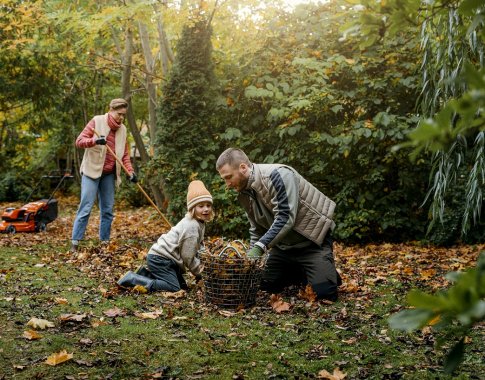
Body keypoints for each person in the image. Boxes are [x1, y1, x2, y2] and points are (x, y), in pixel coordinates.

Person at [216, 148, 342, 301]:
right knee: (264, 286)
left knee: (324, 294)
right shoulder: (244, 194)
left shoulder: (278, 175)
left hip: (312, 243)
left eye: (228, 177)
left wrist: (259, 248)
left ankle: (320, 269)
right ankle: (302, 270)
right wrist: (251, 259)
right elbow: (256, 229)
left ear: (243, 167)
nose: (227, 184)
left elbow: (286, 217)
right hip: (282, 248)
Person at [117, 180, 213, 292]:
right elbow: (187, 256)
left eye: (208, 205)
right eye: (201, 206)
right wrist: (199, 272)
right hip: (161, 259)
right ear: (192, 208)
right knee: (174, 288)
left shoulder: (200, 222)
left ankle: (144, 275)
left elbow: (198, 245)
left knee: (183, 288)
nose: (206, 209)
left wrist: (206, 259)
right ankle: (133, 279)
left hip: (169, 260)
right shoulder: (191, 226)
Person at [70, 98, 137, 252]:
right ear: (111, 110)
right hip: (91, 171)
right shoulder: (97, 121)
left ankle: (104, 242)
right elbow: (79, 141)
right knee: (86, 206)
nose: (121, 118)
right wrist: (95, 141)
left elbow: (124, 155)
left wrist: (130, 172)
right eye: (119, 114)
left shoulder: (123, 129)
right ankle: (75, 242)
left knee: (107, 209)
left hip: (108, 173)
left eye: (124, 115)